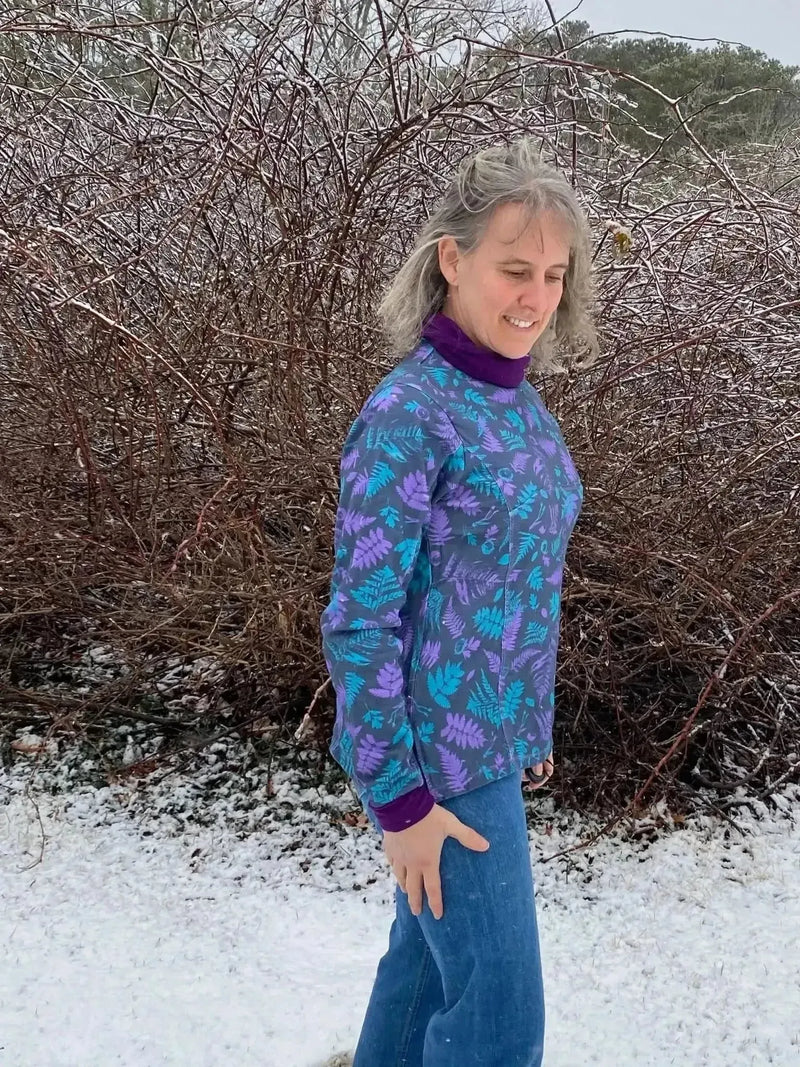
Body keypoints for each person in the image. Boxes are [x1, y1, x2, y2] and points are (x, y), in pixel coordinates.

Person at [319, 137, 598, 1067]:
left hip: (491, 745)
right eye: (515, 270)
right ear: (452, 257)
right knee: (498, 1024)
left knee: (425, 983)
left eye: (554, 275)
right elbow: (360, 619)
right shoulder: (409, 414)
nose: (536, 297)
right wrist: (399, 799)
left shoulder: (518, 404)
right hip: (439, 763)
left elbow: (510, 585)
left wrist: (525, 720)